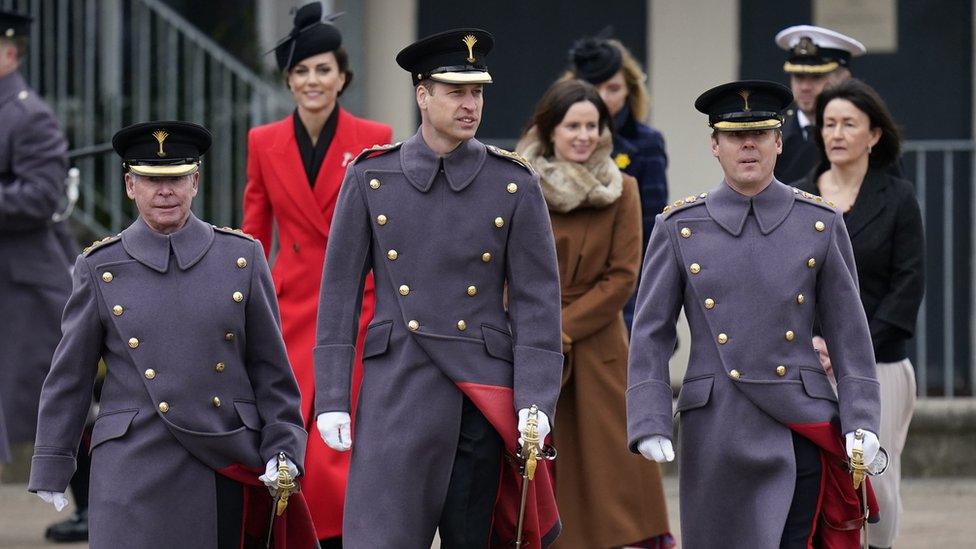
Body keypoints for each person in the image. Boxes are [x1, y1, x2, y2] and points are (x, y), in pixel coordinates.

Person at [314, 29, 564, 547]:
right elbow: (338, 293)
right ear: (422, 95)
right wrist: (332, 397)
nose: (470, 104)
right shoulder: (371, 176)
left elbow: (538, 300)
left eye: (477, 92)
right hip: (396, 383)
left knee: (470, 536)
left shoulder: (513, 181)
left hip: (478, 386)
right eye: (455, 91)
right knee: (384, 536)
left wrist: (535, 397)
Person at [29, 121, 315, 548]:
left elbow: (272, 371)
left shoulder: (242, 257)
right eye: (150, 179)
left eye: (177, 177)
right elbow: (70, 377)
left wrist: (284, 446)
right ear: (130, 185)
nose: (165, 190)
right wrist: (53, 460)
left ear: (195, 181)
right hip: (132, 464)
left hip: (222, 457)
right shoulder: (99, 267)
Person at [627, 80, 883, 548]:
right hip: (715, 426)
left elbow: (850, 334)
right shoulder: (679, 226)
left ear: (779, 142)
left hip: (798, 420)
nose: (748, 145)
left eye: (762, 134)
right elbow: (650, 334)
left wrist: (861, 417)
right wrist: (648, 417)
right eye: (733, 136)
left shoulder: (819, 223)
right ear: (714, 145)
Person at [242, 3, 391, 544]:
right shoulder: (262, 141)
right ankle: (293, 525)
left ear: (343, 76)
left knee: (340, 420)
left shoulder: (375, 135)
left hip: (357, 300)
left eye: (323, 69)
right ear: (288, 79)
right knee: (287, 418)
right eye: (301, 71)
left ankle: (338, 531)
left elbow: (386, 228)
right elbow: (254, 228)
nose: (312, 81)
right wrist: (241, 298)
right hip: (289, 301)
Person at [516, 78, 673, 549]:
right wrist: (536, 335)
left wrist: (560, 330)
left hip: (600, 348)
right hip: (529, 346)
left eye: (592, 125)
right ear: (550, 132)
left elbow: (624, 277)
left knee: (611, 479)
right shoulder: (520, 185)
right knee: (537, 467)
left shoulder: (622, 188)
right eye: (572, 126)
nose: (583, 135)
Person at [796, 78, 924, 549]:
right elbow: (783, 287)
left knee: (875, 484)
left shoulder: (898, 199)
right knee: (812, 482)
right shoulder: (797, 199)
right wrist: (811, 342)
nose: (837, 133)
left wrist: (847, 345)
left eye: (850, 123)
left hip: (879, 364)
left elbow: (907, 287)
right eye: (829, 123)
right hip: (807, 365)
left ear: (874, 135)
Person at [0, 6, 73, 470]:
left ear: (10, 52)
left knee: (57, 403)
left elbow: (43, 195)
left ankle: (90, 507)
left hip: (19, 285)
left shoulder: (28, 114)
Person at [567, 34, 668, 329]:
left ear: (629, 91)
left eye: (613, 88)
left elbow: (651, 231)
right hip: (569, 283)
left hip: (625, 284)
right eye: (594, 87)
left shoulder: (646, 142)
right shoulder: (560, 139)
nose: (603, 97)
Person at [774, 25, 865, 183]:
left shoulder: (865, 136)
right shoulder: (772, 135)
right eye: (798, 77)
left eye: (816, 77)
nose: (805, 87)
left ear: (844, 78)